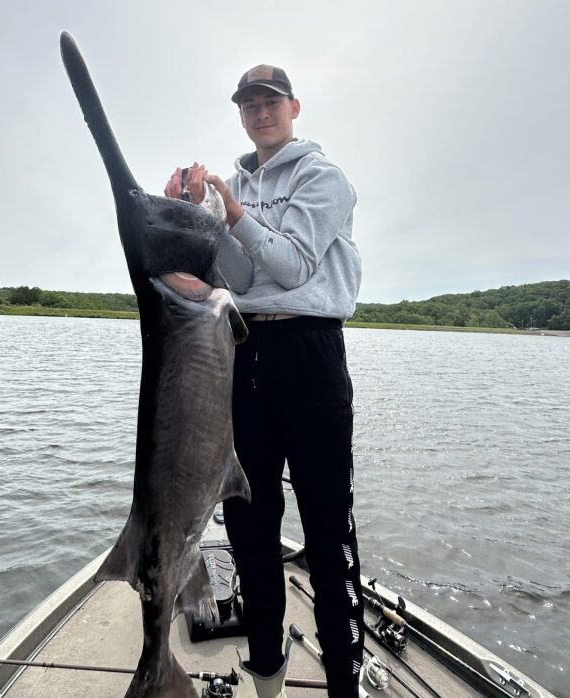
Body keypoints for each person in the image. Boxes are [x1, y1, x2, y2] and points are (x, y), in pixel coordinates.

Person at [165, 64, 364, 698]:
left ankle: (341, 684)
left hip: (310, 353)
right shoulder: (239, 180)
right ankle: (267, 684)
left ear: (294, 106)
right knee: (250, 528)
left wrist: (236, 216)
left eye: (269, 102)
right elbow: (244, 281)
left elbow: (293, 261)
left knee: (328, 536)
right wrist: (192, 219)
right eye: (248, 105)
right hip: (243, 352)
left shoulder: (323, 178)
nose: (259, 114)